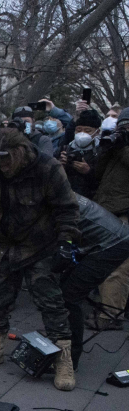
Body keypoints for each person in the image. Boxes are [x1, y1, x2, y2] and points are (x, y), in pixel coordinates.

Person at [0, 127, 80, 391]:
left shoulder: (47, 168)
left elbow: (67, 209)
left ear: (20, 152)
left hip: (38, 246)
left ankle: (63, 358)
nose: (1, 165)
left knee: (51, 302)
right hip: (0, 245)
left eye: (6, 158)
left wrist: (66, 243)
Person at [60, 197, 129, 369]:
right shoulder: (54, 188)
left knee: (70, 296)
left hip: (113, 243)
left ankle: (70, 359)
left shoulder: (52, 191)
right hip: (108, 236)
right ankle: (62, 342)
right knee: (66, 289)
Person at [87, 107, 129, 330]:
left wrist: (122, 147)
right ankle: (106, 309)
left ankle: (110, 315)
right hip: (107, 208)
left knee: (118, 267)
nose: (123, 131)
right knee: (103, 263)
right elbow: (97, 173)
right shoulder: (117, 146)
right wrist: (106, 148)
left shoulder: (124, 148)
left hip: (125, 211)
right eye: (121, 126)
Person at [59, 109, 101, 198]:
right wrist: (60, 165)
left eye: (87, 130)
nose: (82, 133)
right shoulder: (66, 147)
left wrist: (89, 172)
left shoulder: (102, 150)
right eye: (79, 130)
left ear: (97, 132)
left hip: (91, 197)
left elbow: (104, 179)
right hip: (67, 194)